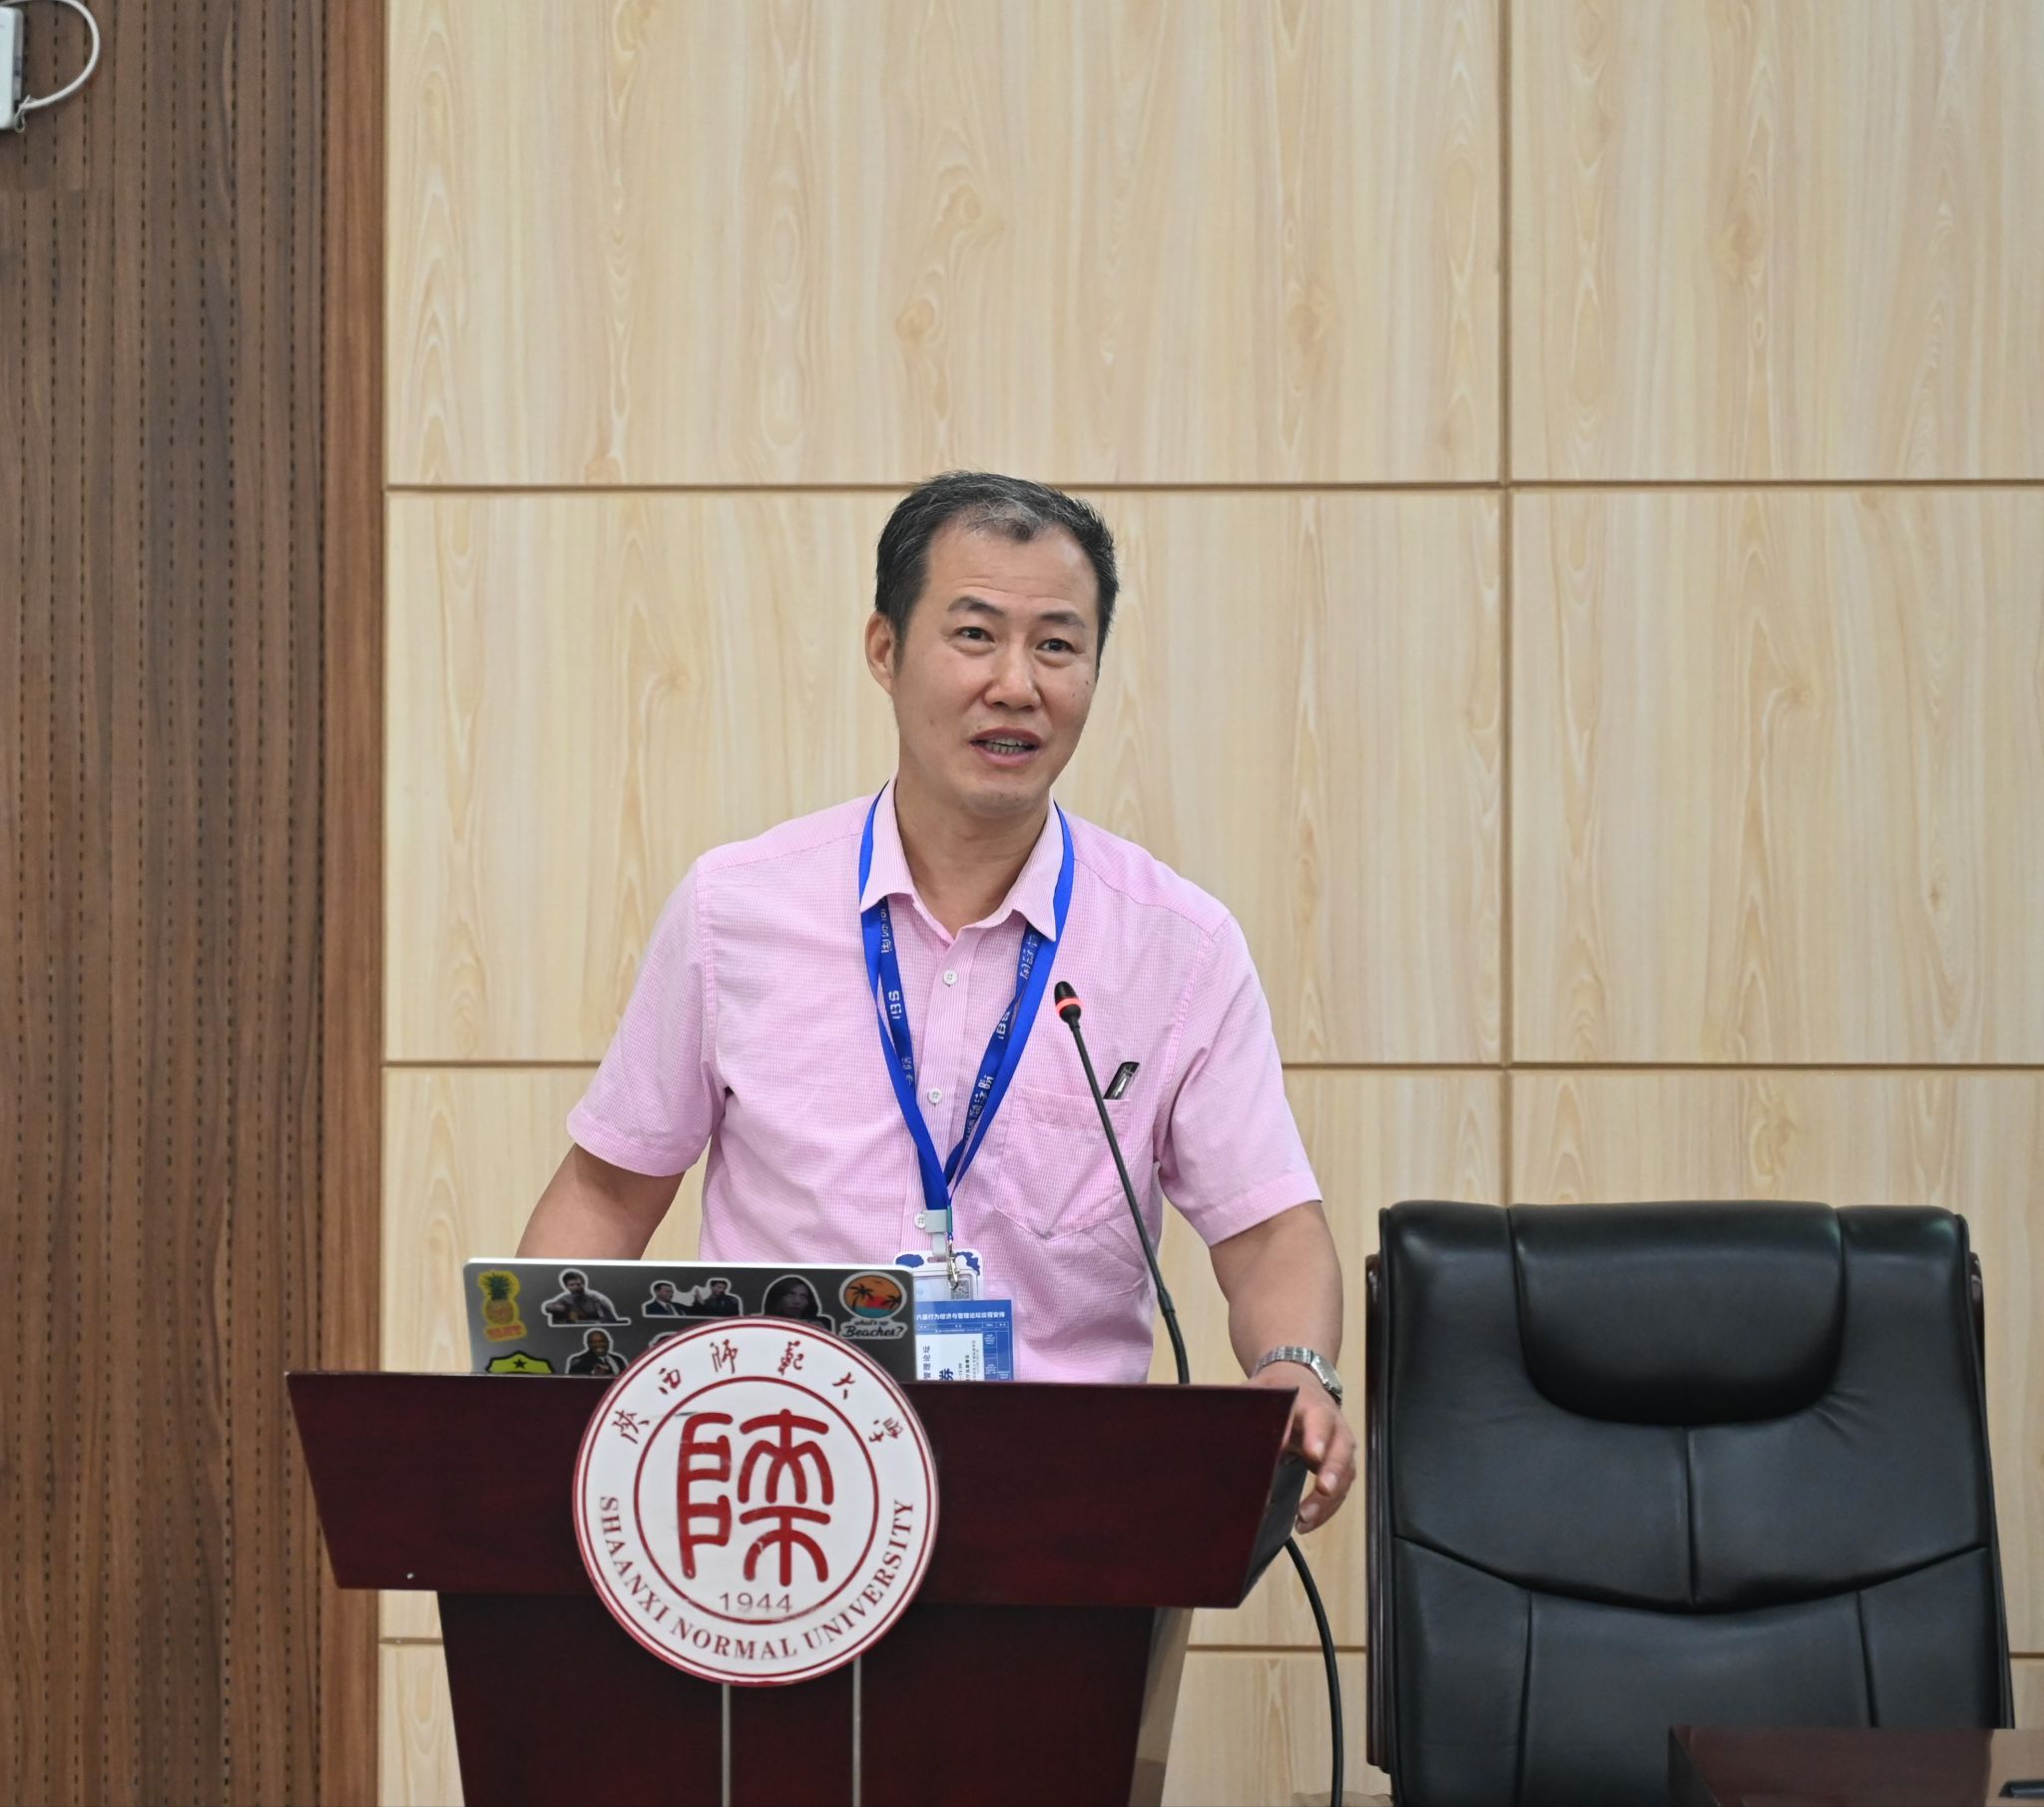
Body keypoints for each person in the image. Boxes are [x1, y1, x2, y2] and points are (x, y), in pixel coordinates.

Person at [519, 472, 1355, 1531]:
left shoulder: (1175, 947)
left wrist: (1295, 1364)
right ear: (884, 649)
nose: (1016, 684)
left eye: (1057, 645)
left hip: (1063, 1509)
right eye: (974, 635)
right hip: (773, 1497)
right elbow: (606, 1192)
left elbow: (1270, 1232)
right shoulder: (737, 908)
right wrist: (522, 1412)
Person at [541, 1268, 623, 1326]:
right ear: (566, 1286)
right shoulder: (565, 1299)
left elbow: (611, 1321)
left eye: (578, 1284)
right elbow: (548, 1307)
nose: (576, 1287)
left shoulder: (596, 1299)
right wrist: (561, 1309)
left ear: (584, 1284)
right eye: (572, 1285)